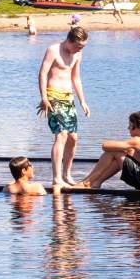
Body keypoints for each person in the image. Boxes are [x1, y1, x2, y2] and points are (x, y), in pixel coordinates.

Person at [36, 25, 91, 190]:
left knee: (73, 138)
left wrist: (83, 101)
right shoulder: (53, 50)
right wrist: (44, 98)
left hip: (68, 98)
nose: (80, 49)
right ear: (70, 41)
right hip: (53, 96)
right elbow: (42, 73)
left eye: (83, 47)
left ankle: (67, 174)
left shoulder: (77, 55)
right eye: (78, 46)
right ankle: (57, 178)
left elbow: (76, 78)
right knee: (61, 135)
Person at [76, 110, 140, 191]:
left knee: (114, 152)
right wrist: (127, 150)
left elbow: (105, 146)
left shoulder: (139, 141)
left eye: (131, 125)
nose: (128, 128)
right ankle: (97, 182)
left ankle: (87, 182)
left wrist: (123, 148)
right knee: (126, 153)